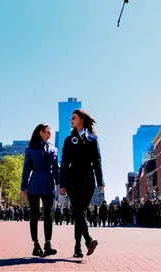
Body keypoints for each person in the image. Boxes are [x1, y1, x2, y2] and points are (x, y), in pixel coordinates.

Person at [60, 109, 104, 258]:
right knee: (78, 210)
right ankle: (87, 240)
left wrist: (100, 181)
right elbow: (64, 163)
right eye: (70, 118)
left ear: (81, 120)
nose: (71, 120)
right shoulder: (68, 140)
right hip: (72, 179)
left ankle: (78, 247)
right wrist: (62, 184)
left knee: (80, 212)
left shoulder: (92, 139)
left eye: (74, 118)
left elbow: (97, 161)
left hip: (88, 180)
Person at [21, 123, 59, 257]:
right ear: (40, 132)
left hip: (49, 185)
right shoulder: (30, 149)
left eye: (50, 132)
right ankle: (36, 244)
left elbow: (56, 169)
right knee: (34, 215)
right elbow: (26, 169)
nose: (49, 134)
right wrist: (23, 187)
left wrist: (61, 185)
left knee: (49, 216)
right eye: (47, 132)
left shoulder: (54, 149)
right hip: (34, 185)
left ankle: (48, 244)